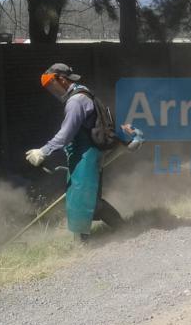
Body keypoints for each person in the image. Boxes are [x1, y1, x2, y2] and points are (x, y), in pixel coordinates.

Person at [25, 63, 129, 242]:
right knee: (88, 201)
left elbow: (66, 134)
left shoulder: (76, 101)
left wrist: (43, 151)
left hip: (86, 156)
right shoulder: (83, 92)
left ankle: (82, 246)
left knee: (80, 201)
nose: (51, 90)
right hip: (87, 153)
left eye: (51, 84)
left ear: (62, 79)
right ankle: (123, 230)